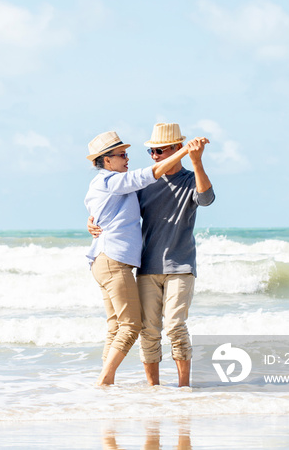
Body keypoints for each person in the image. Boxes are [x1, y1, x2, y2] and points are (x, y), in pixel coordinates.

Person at [88, 123, 214, 387]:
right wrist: (92, 221)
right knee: (146, 330)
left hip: (180, 265)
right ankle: (152, 389)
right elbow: (114, 201)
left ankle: (183, 388)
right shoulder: (143, 182)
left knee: (175, 326)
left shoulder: (189, 179)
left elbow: (206, 199)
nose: (155, 156)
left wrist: (197, 161)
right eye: (152, 152)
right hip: (146, 266)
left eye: (160, 150)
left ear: (177, 148)